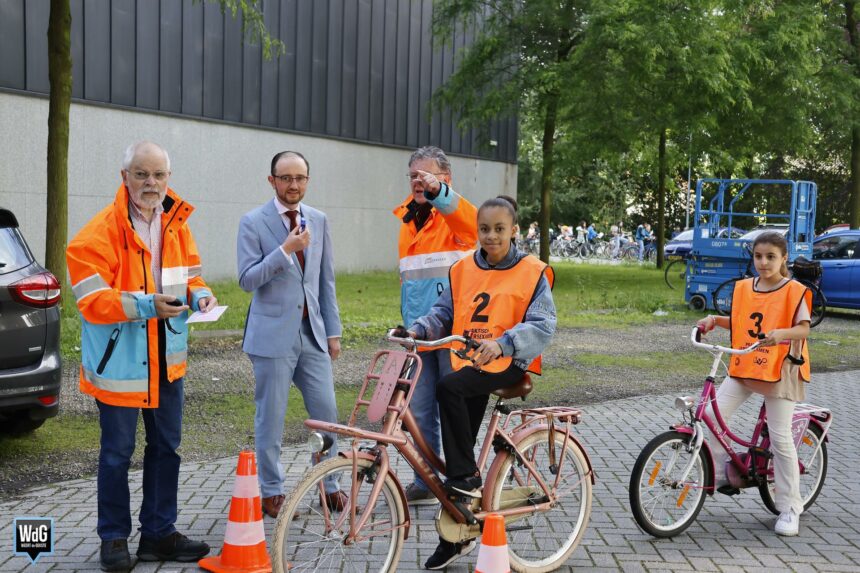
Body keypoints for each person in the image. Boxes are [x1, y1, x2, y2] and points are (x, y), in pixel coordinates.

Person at [66, 142, 216, 571]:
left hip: (167, 360)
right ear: (125, 176)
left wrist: (201, 294)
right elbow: (93, 300)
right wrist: (149, 304)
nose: (151, 184)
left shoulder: (176, 225)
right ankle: (113, 539)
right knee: (117, 453)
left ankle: (159, 534)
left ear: (169, 178)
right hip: (122, 367)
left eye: (159, 175)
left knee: (167, 448)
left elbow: (190, 275)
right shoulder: (96, 234)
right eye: (142, 174)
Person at [397, 195, 556, 569]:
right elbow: (445, 311)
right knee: (456, 452)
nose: (491, 236)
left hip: (508, 362)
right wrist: (417, 329)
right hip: (470, 362)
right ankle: (455, 534)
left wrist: (503, 343)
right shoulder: (463, 267)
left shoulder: (532, 271)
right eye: (485, 229)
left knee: (448, 390)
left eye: (500, 229)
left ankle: (467, 478)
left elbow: (543, 325)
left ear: (514, 231)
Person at [237, 150, 347, 519]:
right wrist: (285, 250)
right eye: (285, 178)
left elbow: (324, 282)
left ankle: (328, 486)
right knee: (271, 417)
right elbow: (246, 279)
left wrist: (333, 332)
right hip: (271, 337)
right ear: (272, 181)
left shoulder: (319, 219)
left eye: (299, 178)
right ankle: (271, 492)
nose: (293, 185)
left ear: (307, 181)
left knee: (327, 413)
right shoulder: (253, 222)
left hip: (312, 334)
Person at [696, 231, 812, 537]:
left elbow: (803, 330)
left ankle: (789, 508)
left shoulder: (794, 290)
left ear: (784, 258)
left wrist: (781, 334)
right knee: (711, 415)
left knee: (779, 438)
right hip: (746, 363)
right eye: (758, 256)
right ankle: (724, 470)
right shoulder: (745, 287)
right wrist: (713, 320)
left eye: (771, 257)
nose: (763, 262)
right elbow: (742, 322)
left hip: (781, 368)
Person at [392, 146, 478, 505]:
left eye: (425, 175)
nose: (417, 181)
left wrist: (439, 194)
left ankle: (460, 479)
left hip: (454, 334)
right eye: (413, 175)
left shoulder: (456, 216)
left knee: (452, 409)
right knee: (420, 410)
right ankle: (425, 481)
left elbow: (470, 224)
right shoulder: (409, 220)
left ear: (446, 181)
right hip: (420, 334)